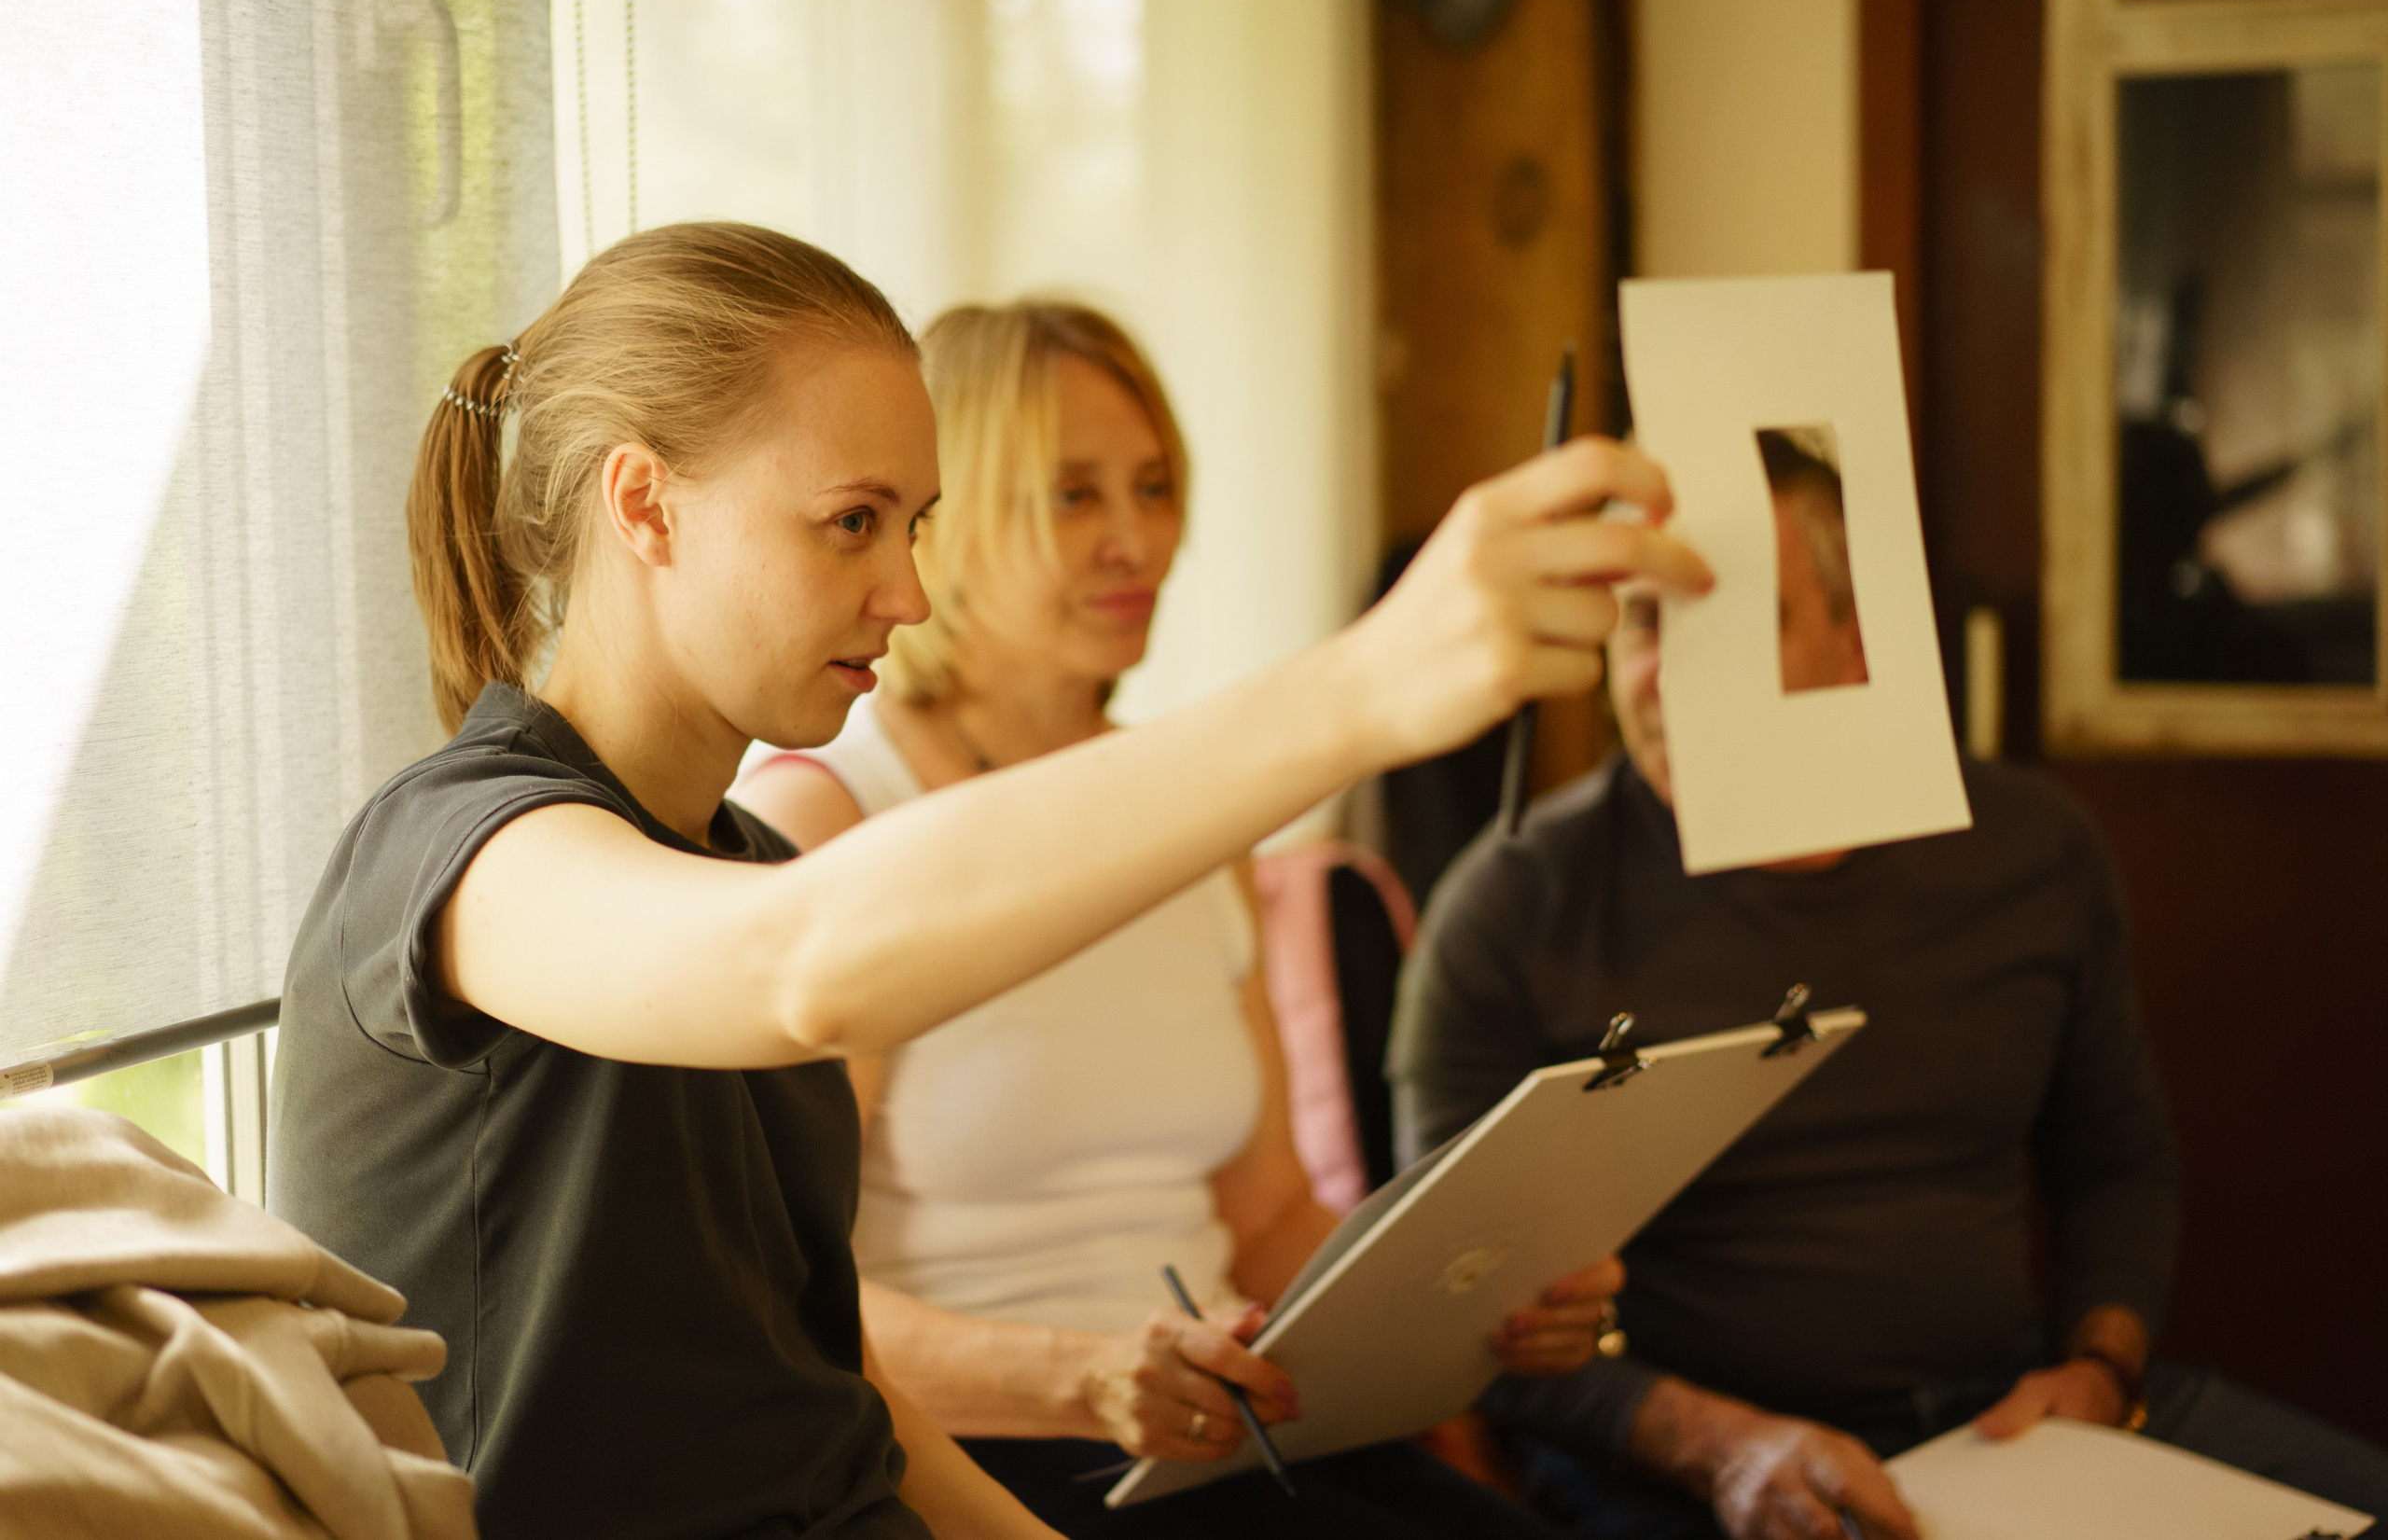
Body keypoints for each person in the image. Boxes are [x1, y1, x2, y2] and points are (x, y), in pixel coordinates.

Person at [265, 224, 1713, 1540]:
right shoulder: (459, 855)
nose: (905, 590)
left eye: (916, 525)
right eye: (853, 521)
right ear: (644, 504)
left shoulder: (743, 857)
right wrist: (1367, 685)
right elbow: (799, 964)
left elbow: (847, 1392)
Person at [1388, 431, 2388, 1540]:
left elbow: (2118, 1156)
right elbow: (1447, 1301)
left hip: (2010, 1417)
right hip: (1677, 1454)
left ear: (1856, 640)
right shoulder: (1512, 903)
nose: (1669, 680)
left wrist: (2101, 1367)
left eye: (1737, 626)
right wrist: (1709, 1441)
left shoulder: (2030, 850)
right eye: (1644, 624)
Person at [733, 300, 1612, 1540]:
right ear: (949, 514)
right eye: (1076, 495)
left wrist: (1472, 1287)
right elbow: (780, 1304)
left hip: (1220, 1427)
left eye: (1153, 487)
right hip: (976, 1454)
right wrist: (1079, 1369)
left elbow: (1263, 1215)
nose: (1135, 537)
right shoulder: (826, 819)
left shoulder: (1195, 808)